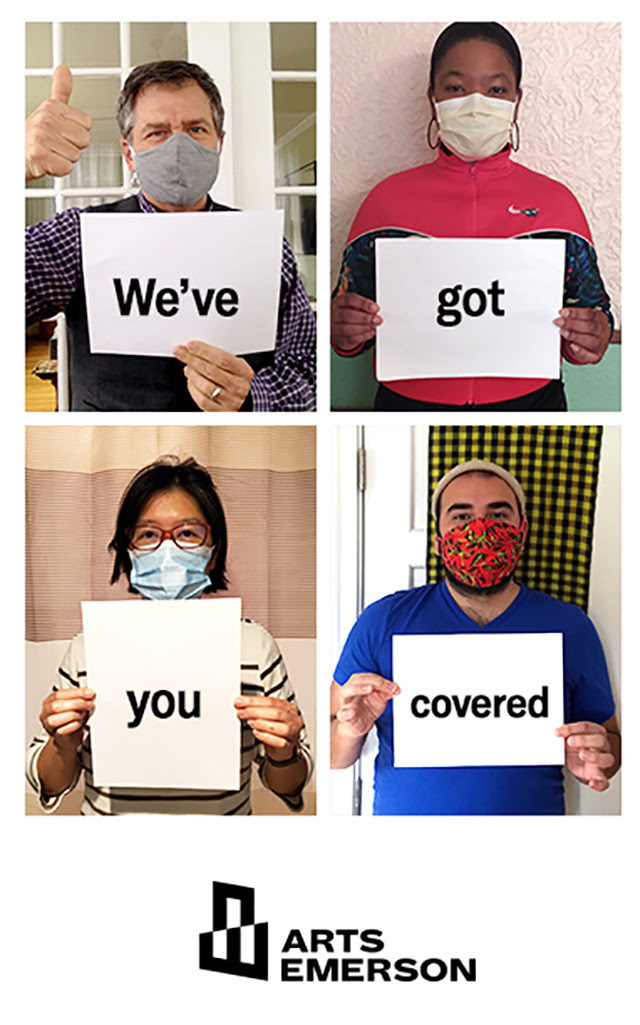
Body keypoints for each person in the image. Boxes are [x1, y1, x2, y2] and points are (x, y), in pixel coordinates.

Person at [331, 22, 613, 411]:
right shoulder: (384, 203)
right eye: (456, 88)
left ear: (517, 98)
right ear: (433, 98)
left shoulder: (557, 204)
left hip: (531, 405)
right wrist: (345, 331)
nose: (476, 103)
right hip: (408, 405)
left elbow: (590, 320)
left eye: (496, 89)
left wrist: (592, 335)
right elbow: (348, 328)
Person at [331, 460, 620, 814]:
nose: (480, 530)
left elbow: (611, 743)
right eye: (461, 517)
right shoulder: (382, 621)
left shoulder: (570, 626)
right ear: (438, 539)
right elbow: (334, 755)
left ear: (522, 530)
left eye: (498, 517)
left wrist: (594, 757)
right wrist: (349, 731)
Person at [27, 456, 312, 815]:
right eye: (147, 535)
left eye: (188, 533)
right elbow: (49, 782)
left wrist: (283, 751)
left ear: (213, 552)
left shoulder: (254, 646)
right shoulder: (91, 648)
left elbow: (292, 784)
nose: (167, 549)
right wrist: (62, 744)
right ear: (128, 551)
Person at [26, 60, 316, 411]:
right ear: (128, 153)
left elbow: (308, 370)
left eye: (195, 129)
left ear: (218, 143)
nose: (178, 147)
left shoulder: (265, 248)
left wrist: (254, 397)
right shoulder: (80, 237)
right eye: (157, 132)